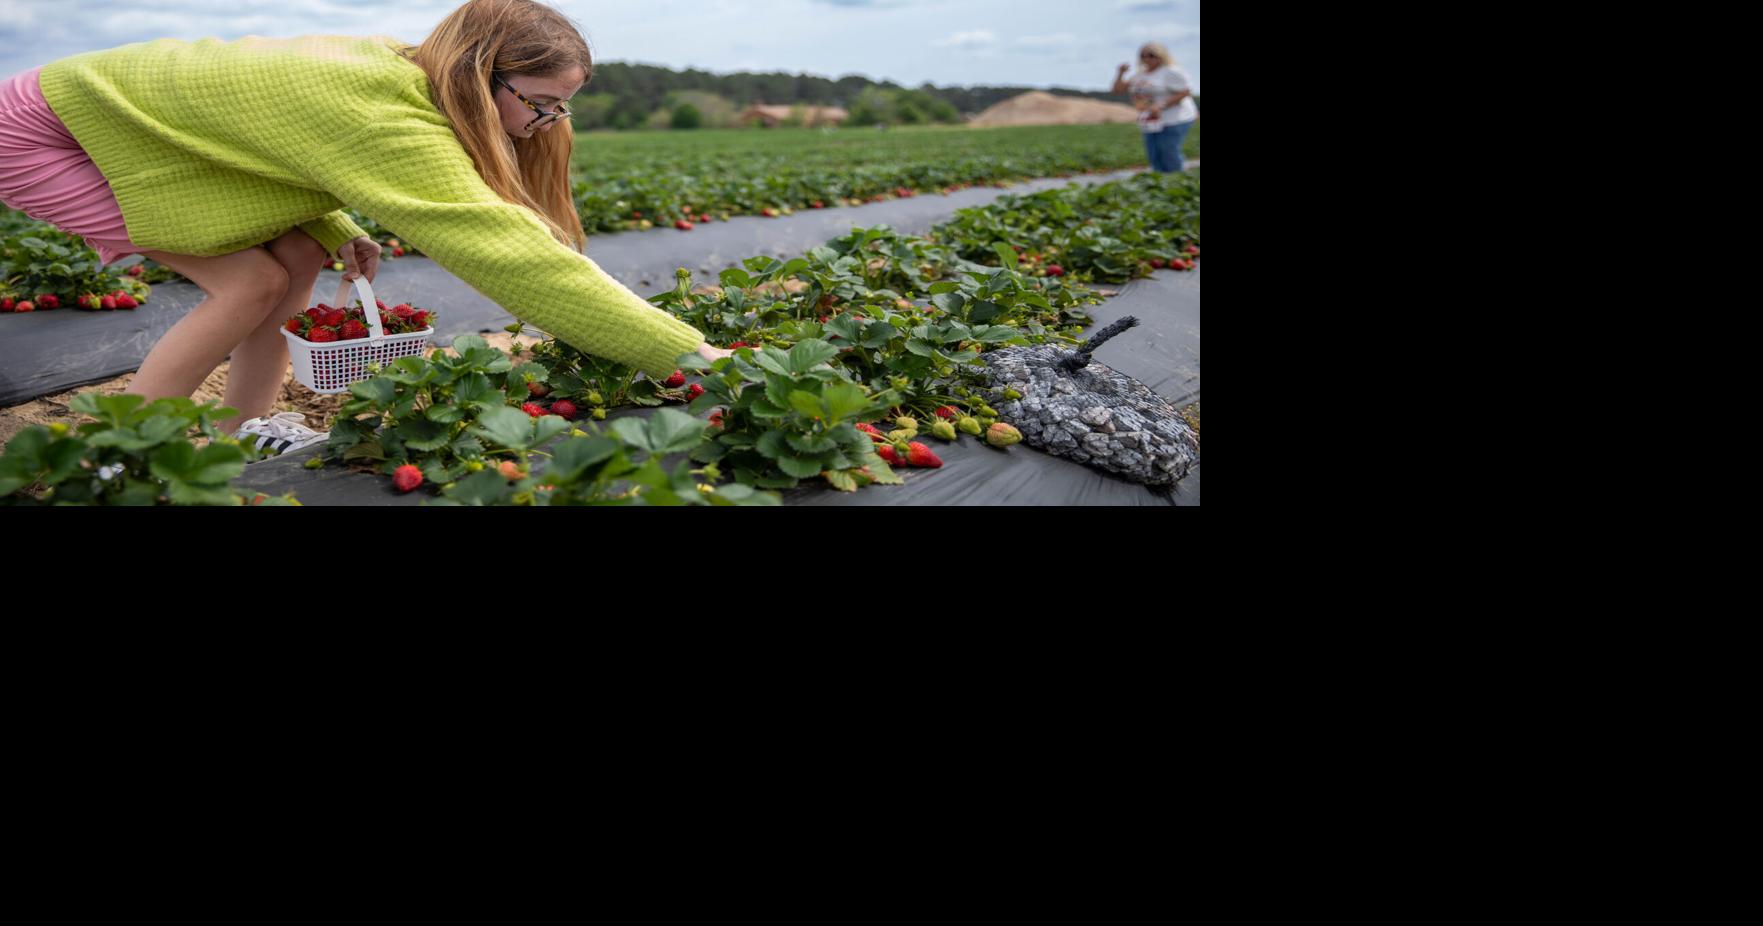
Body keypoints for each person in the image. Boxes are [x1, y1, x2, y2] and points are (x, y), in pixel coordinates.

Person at [0, 0, 731, 456]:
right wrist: (695, 358)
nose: (544, 126)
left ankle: (238, 432)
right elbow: (510, 257)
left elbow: (278, 140)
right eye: (539, 104)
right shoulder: (385, 112)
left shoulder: (404, 72)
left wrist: (336, 221)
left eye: (558, 109)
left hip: (120, 124)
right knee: (249, 280)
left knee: (296, 249)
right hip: (45, 133)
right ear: (484, 77)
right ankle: (121, 449)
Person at [1111, 42, 1198, 174]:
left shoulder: (1171, 71)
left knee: (1168, 151)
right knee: (1154, 153)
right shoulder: (1140, 75)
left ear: (1161, 56)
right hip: (1152, 120)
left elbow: (1185, 91)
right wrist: (1120, 73)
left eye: (1151, 55)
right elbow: (1118, 90)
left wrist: (1161, 105)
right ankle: (1160, 181)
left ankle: (1176, 180)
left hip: (1176, 118)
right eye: (1143, 56)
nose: (1147, 59)